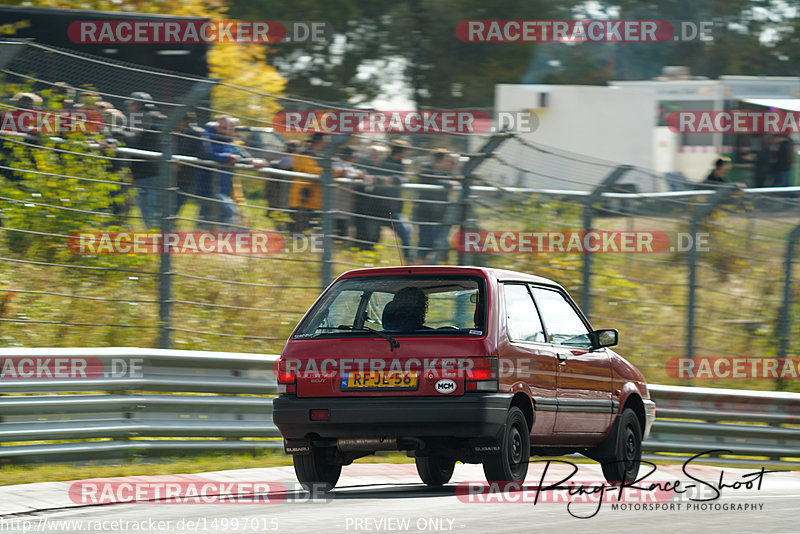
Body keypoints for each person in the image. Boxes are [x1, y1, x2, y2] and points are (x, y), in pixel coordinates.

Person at [116, 91, 166, 229]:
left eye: (132, 105)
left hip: (146, 170)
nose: (130, 108)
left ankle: (154, 237)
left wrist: (119, 132)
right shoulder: (159, 117)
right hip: (159, 169)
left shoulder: (145, 117)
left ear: (138, 105)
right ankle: (158, 234)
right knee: (156, 206)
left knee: (148, 207)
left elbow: (135, 139)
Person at [372, 140, 412, 260]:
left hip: (394, 208)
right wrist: (394, 179)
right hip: (381, 208)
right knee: (374, 237)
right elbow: (380, 178)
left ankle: (409, 260)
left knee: (406, 231)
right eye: (404, 152)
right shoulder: (386, 163)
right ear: (400, 152)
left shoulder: (401, 164)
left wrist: (399, 179)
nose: (406, 155)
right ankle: (372, 261)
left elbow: (403, 179)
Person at [414, 149, 453, 263]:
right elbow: (435, 180)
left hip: (440, 216)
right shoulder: (426, 170)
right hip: (426, 215)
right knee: (425, 243)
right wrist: (448, 183)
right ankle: (420, 268)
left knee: (441, 245)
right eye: (448, 161)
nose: (451, 164)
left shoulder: (445, 173)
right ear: (439, 160)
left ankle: (439, 269)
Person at [288, 132, 327, 233]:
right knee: (300, 232)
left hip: (313, 202)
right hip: (302, 201)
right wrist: (332, 171)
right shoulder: (305, 155)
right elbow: (315, 172)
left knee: (311, 233)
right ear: (320, 142)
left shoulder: (318, 157)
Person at [353, 145, 387, 249]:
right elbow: (356, 174)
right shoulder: (363, 164)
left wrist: (374, 179)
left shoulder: (385, 168)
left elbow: (391, 179)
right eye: (372, 154)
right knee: (361, 231)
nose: (374, 156)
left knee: (374, 233)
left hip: (377, 206)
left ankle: (371, 250)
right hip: (362, 204)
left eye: (377, 154)